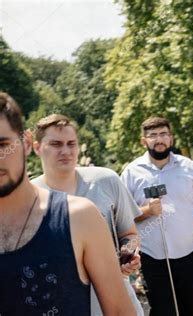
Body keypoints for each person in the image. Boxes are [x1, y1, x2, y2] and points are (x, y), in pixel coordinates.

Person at [0, 92, 135, 315]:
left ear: (24, 143)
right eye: (56, 144)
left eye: (3, 145)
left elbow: (120, 311)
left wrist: (128, 251)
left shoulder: (78, 217)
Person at [31, 114, 144, 316]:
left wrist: (127, 255)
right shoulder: (28, 198)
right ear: (37, 147)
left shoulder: (106, 180)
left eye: (71, 143)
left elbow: (129, 233)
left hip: (117, 304)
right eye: (56, 144)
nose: (65, 151)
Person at [120, 117, 193, 316]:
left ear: (171, 138)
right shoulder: (131, 173)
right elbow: (122, 217)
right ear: (144, 141)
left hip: (190, 255)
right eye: (153, 136)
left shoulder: (189, 168)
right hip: (152, 259)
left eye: (163, 134)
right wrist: (146, 211)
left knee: (192, 311)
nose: (159, 139)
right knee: (162, 312)